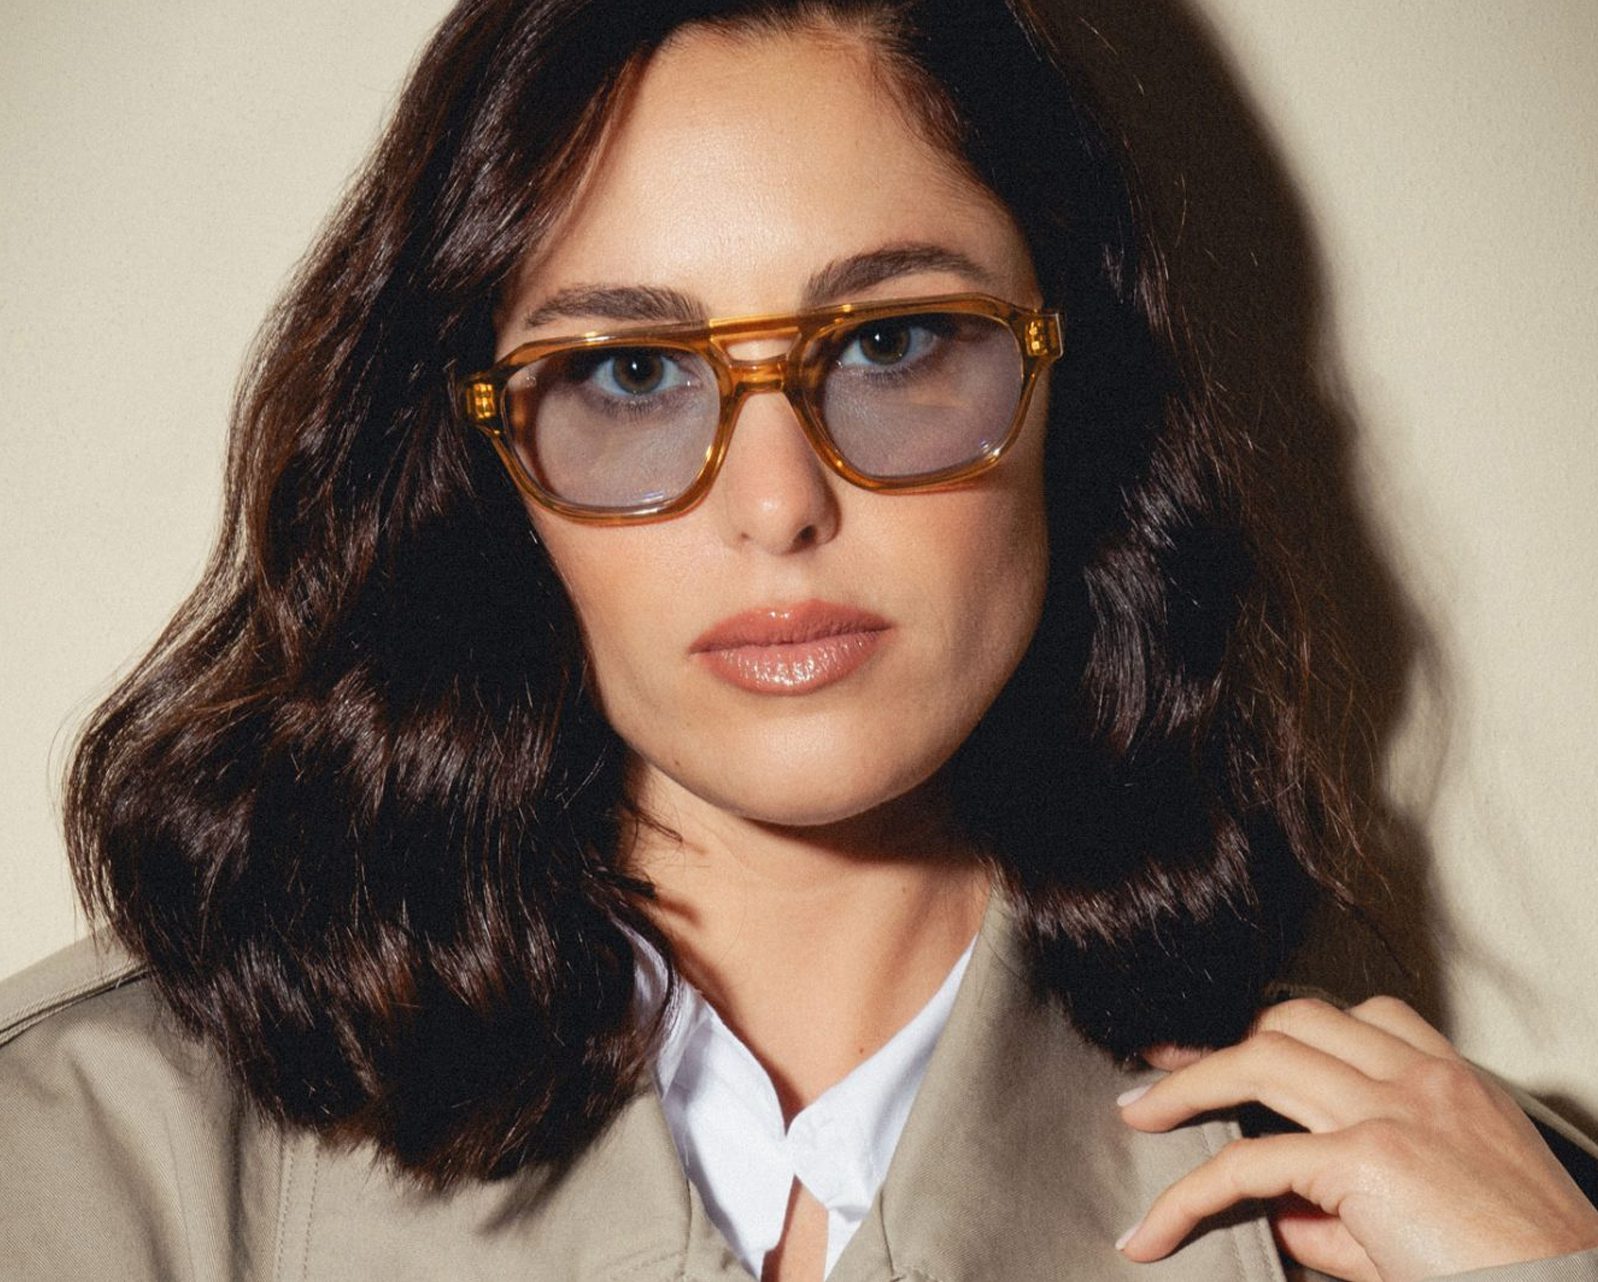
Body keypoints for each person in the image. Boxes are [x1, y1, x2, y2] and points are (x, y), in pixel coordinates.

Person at [2, 1, 1596, 1279]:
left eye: (895, 342)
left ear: (1070, 388)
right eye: (628, 375)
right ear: (482, 463)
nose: (777, 503)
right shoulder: (92, 1157)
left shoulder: (1442, 1219)